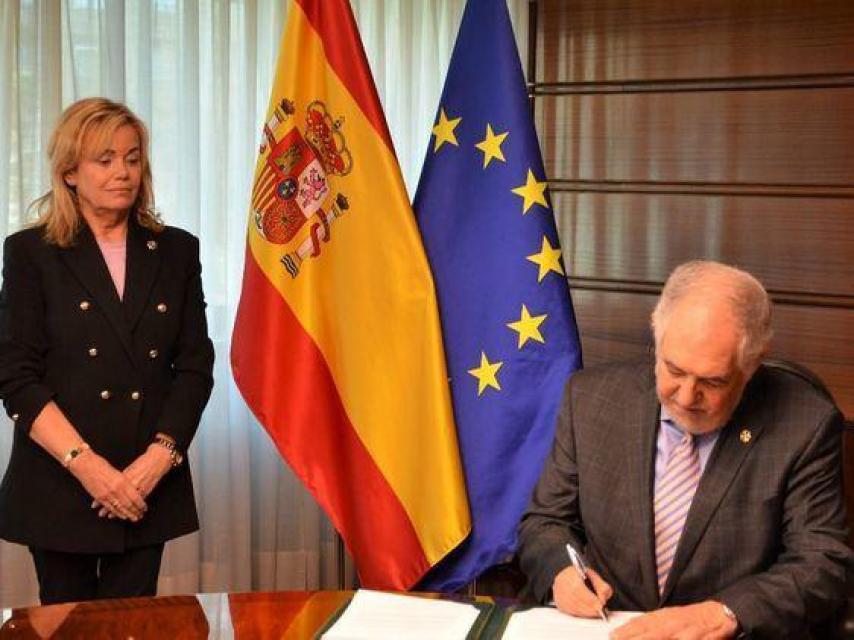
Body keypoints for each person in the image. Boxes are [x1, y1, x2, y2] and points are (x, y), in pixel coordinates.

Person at [518, 260, 851, 639]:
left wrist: (723, 614)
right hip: (608, 628)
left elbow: (821, 564)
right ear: (656, 339)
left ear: (753, 364)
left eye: (712, 381)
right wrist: (561, 572)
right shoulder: (590, 398)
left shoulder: (804, 425)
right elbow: (545, 521)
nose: (686, 396)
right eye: (673, 370)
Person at [0, 97, 214, 604]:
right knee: (67, 626)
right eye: (106, 159)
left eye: (133, 158)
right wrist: (88, 468)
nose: (124, 172)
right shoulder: (31, 253)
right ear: (70, 172)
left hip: (146, 483)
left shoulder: (178, 250)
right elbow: (15, 375)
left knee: (135, 626)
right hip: (61, 480)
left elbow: (194, 367)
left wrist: (158, 461)